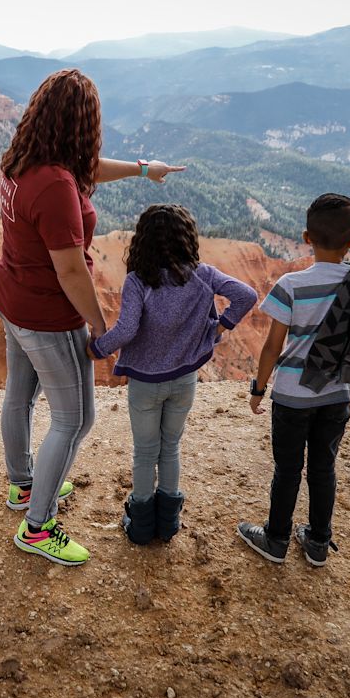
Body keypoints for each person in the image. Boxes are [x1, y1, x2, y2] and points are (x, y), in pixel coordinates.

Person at [0, 68, 184, 567]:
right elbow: (72, 271)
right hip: (47, 314)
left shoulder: (26, 159)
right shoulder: (55, 184)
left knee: (20, 395)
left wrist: (144, 170)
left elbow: (85, 170)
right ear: (81, 123)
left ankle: (22, 485)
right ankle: (37, 526)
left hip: (12, 296)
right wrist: (103, 328)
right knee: (75, 419)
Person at [89, 204, 257, 545]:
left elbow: (126, 329)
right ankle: (167, 525)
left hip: (146, 385)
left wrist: (97, 349)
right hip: (184, 381)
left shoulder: (138, 282)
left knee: (145, 452)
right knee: (171, 448)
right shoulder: (203, 275)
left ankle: (139, 527)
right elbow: (246, 295)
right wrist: (219, 328)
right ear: (186, 239)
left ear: (143, 242)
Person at [237, 193, 350, 567]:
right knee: (324, 467)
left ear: (307, 237)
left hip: (291, 396)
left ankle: (276, 539)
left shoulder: (291, 284)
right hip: (336, 394)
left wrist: (259, 389)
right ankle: (319, 542)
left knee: (287, 469)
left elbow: (273, 345)